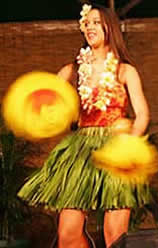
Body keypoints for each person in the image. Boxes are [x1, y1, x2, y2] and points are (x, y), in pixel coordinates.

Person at [17, 4, 150, 248]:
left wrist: (129, 143)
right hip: (80, 151)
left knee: (114, 235)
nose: (89, 26)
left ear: (109, 27)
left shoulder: (125, 71)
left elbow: (142, 115)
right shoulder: (73, 69)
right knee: (67, 233)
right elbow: (47, 98)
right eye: (86, 23)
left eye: (96, 22)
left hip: (116, 149)